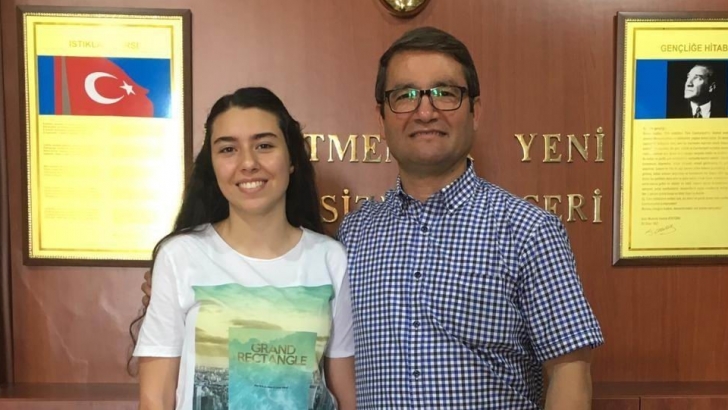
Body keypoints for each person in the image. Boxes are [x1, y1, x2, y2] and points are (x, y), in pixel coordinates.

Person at [142, 28, 603, 409]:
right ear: (381, 116)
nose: (425, 110)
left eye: (445, 93)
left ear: (475, 111)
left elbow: (571, 372)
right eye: (405, 96)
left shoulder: (528, 231)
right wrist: (179, 279)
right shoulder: (356, 235)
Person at [131, 87, 355, 410]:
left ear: (292, 159)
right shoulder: (180, 257)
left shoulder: (330, 259)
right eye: (228, 149)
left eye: (264, 145)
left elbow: (346, 394)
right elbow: (156, 397)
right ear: (212, 164)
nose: (248, 163)